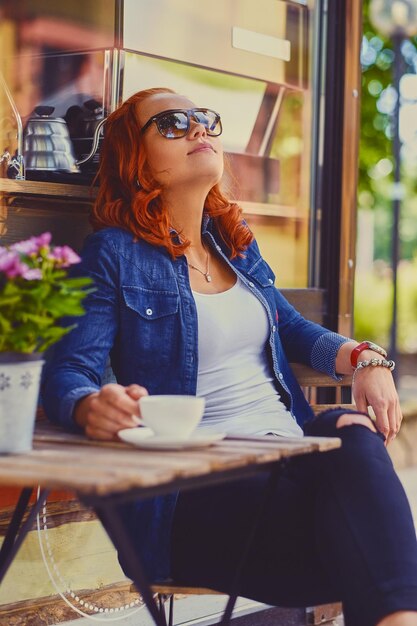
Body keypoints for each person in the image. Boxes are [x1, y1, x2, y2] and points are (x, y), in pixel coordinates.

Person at [42, 87, 417, 626]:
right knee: (373, 540)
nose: (197, 128)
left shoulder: (234, 246)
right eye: (171, 123)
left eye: (203, 119)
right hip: (200, 493)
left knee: (348, 431)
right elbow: (69, 371)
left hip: (293, 463)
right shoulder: (114, 254)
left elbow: (291, 328)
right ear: (136, 159)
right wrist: (88, 405)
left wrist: (366, 358)